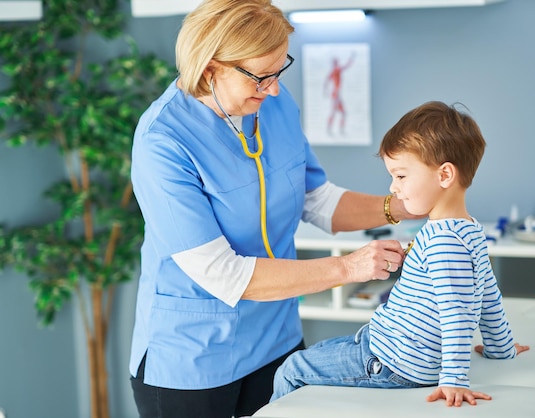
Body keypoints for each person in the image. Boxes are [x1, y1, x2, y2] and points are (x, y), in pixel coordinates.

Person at [127, 1, 414, 417]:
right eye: (261, 76)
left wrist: (404, 205)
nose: (275, 88)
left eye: (280, 70)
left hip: (277, 341)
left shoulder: (272, 103)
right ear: (210, 69)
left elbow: (316, 199)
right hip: (194, 358)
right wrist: (348, 268)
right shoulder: (163, 141)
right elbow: (221, 272)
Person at [271, 101, 530, 407]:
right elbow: (488, 294)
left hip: (394, 362)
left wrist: (454, 380)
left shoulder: (442, 240)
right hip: (389, 345)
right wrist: (500, 348)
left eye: (401, 176)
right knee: (326, 349)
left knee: (291, 369)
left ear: (445, 175)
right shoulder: (468, 230)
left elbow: (456, 315)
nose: (393, 188)